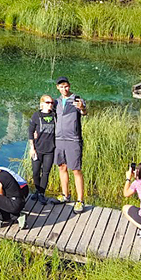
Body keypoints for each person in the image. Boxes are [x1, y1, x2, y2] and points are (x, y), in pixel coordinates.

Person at [53, 77, 88, 213]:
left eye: (66, 86)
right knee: (62, 167)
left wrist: (82, 108)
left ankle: (80, 201)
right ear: (57, 87)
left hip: (73, 139)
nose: (64, 89)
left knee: (76, 170)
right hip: (59, 139)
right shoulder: (55, 102)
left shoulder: (77, 100)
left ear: (69, 86)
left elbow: (84, 112)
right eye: (61, 87)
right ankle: (65, 195)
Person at [27, 95, 56, 205]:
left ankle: (41, 194)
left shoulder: (54, 115)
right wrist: (32, 148)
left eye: (52, 103)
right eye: (48, 102)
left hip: (50, 149)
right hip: (38, 149)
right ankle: (38, 191)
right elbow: (30, 132)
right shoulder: (36, 115)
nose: (50, 104)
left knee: (46, 173)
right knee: (35, 172)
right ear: (42, 103)